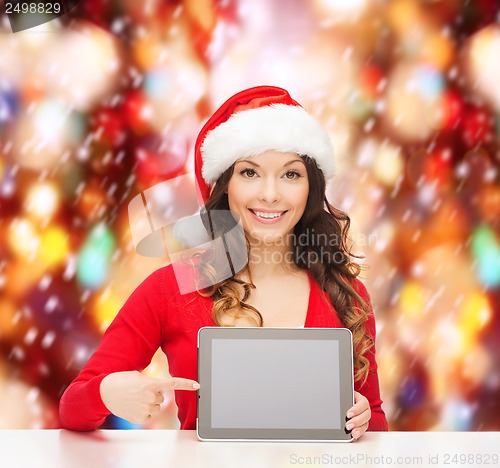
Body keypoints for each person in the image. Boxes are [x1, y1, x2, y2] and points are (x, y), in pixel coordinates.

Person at [59, 86, 388, 438]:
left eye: (291, 174)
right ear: (225, 185)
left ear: (311, 188)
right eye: (250, 172)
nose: (270, 194)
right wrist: (107, 394)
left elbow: (377, 426)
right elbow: (73, 407)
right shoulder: (171, 287)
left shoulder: (345, 294)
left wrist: (364, 420)